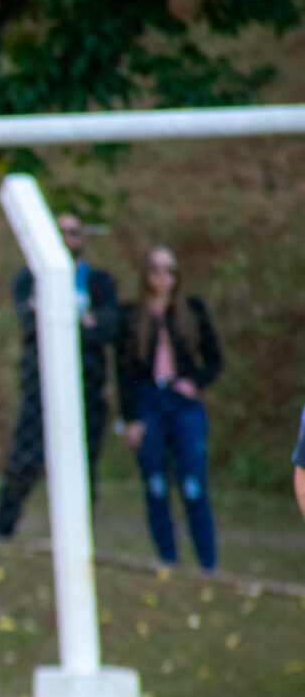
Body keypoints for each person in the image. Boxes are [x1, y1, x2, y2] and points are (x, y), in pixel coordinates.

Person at [0, 213, 120, 541]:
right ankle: (2, 533)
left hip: (86, 384)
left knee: (83, 464)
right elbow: (31, 324)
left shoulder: (98, 282)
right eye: (59, 232)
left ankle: (79, 537)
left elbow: (109, 328)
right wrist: (80, 323)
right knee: (25, 460)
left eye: (74, 232)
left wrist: (62, 322)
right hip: (41, 383)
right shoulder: (29, 279)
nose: (67, 239)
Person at [116, 244, 223, 570]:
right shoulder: (132, 316)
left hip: (182, 402)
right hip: (149, 400)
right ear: (145, 275)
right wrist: (131, 417)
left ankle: (208, 564)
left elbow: (215, 358)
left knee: (193, 483)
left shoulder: (191, 310)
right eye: (156, 270)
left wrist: (196, 382)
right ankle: (168, 561)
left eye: (170, 270)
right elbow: (124, 373)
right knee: (156, 483)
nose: (164, 278)